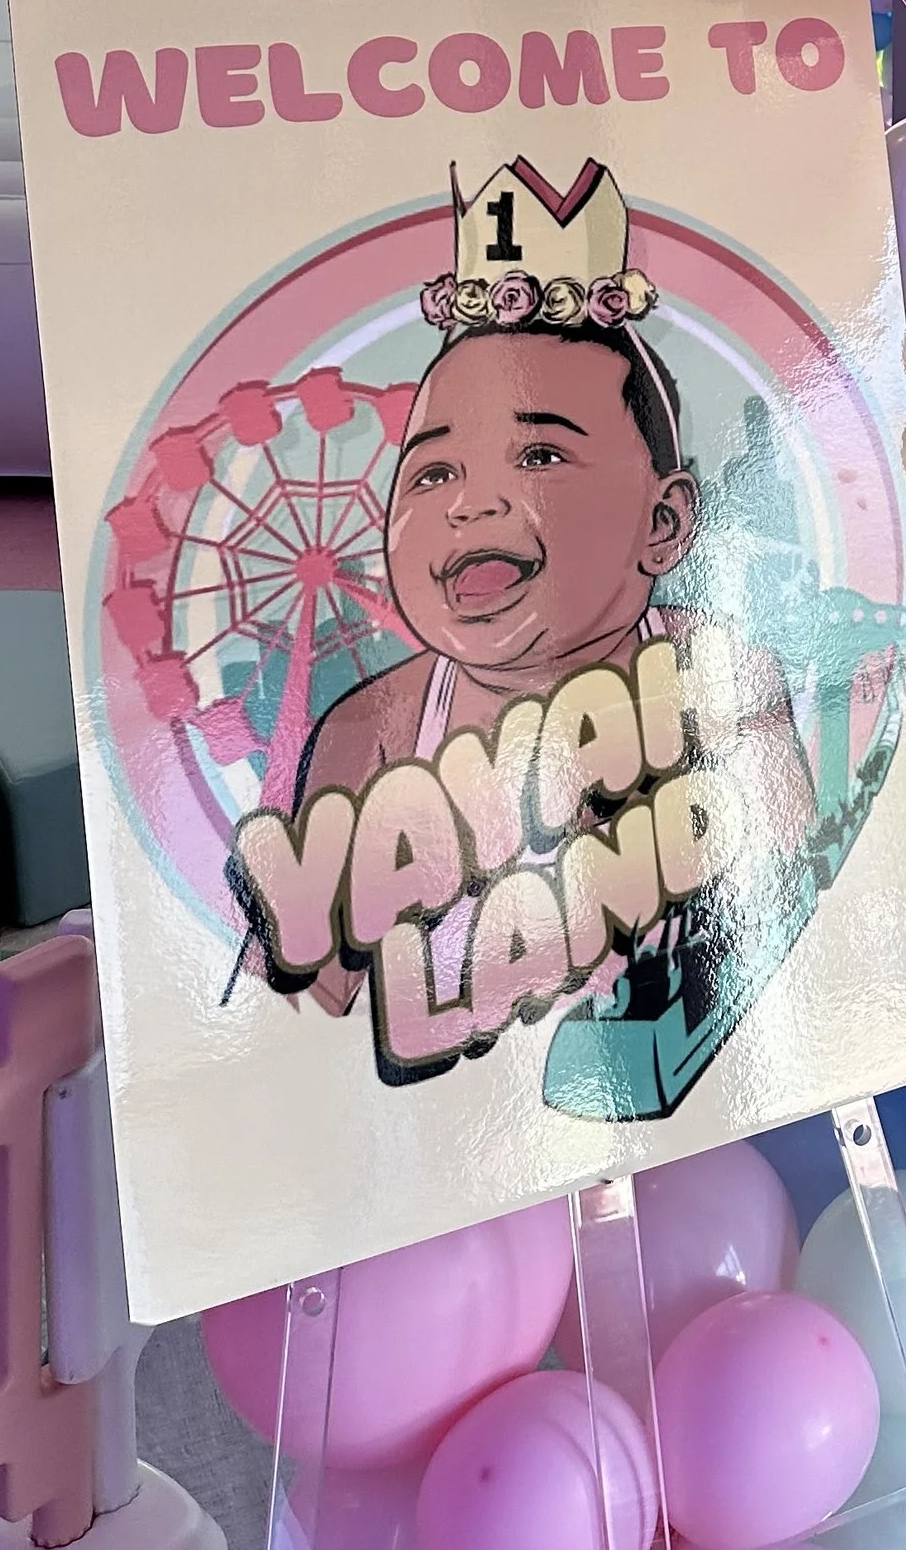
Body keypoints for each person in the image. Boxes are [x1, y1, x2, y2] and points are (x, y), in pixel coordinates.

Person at [291, 158, 815, 1027]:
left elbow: (790, 920)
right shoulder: (362, 736)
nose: (471, 501)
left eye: (539, 456)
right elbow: (312, 1014)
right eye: (432, 471)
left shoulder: (724, 676)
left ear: (666, 521)